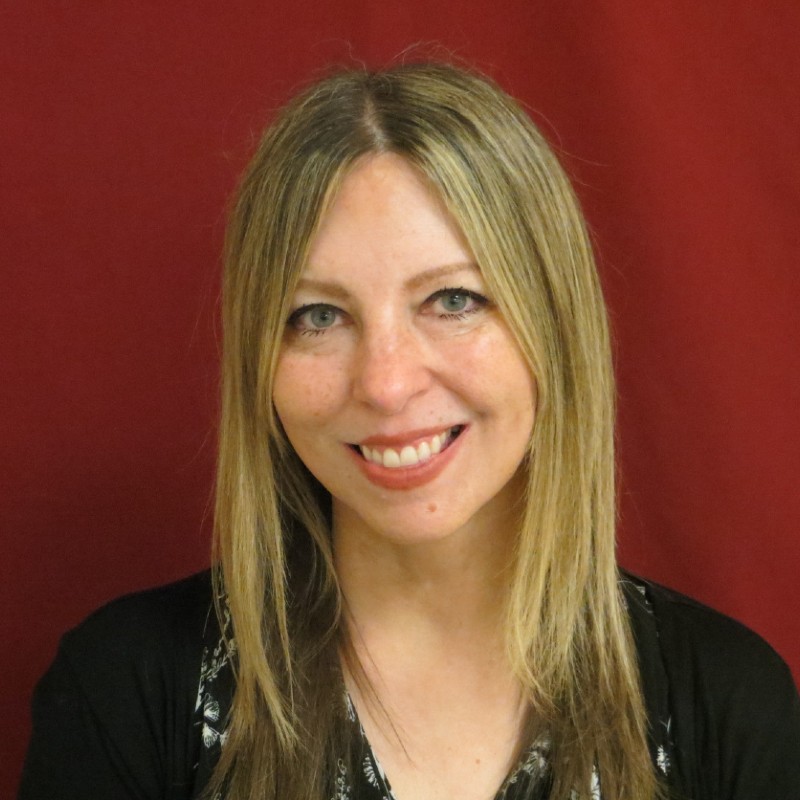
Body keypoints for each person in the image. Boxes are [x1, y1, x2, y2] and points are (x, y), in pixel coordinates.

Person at [19, 63, 800, 800]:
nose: (387, 384)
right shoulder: (126, 690)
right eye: (318, 316)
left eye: (454, 300)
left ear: (555, 326)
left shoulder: (727, 700)